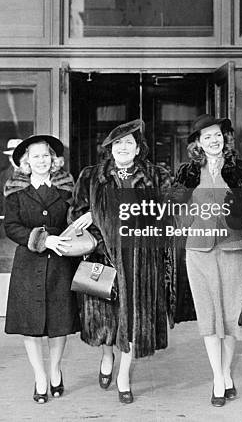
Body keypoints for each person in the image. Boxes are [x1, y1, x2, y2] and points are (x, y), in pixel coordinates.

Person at [174, 114, 242, 407]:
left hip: (234, 248)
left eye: (217, 135)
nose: (213, 141)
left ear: (225, 138)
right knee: (208, 316)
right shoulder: (187, 173)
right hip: (199, 251)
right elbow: (176, 211)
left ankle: (226, 373)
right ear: (197, 143)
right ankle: (218, 377)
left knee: (231, 316)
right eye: (206, 137)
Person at [70, 119, 173, 405]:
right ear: (110, 149)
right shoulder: (92, 177)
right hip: (105, 259)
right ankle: (106, 356)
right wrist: (93, 216)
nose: (123, 147)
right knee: (107, 322)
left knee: (133, 319)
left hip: (141, 260)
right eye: (118, 143)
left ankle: (124, 376)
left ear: (138, 148)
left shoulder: (156, 176)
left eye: (129, 143)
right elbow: (75, 218)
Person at [3, 134, 88, 404]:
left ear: (54, 160)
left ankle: (55, 370)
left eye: (45, 155)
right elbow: (11, 226)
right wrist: (42, 239)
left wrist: (79, 226)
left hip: (62, 262)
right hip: (29, 263)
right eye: (35, 156)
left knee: (59, 322)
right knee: (30, 324)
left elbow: (76, 220)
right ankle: (40, 376)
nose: (41, 160)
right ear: (26, 161)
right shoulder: (15, 191)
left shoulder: (67, 190)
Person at [0, 139, 22, 215]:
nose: (14, 160)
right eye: (11, 157)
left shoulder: (34, 173)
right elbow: (0, 202)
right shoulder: (4, 175)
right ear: (9, 158)